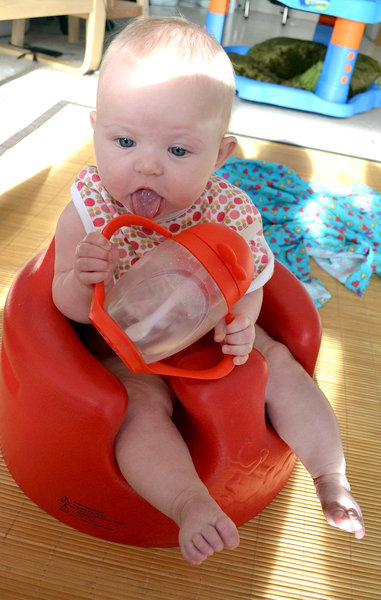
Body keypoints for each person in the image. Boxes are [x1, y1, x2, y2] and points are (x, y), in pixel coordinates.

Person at [52, 16, 365, 565]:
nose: (145, 165)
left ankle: (330, 473)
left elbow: (252, 282)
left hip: (212, 334)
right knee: (136, 410)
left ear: (220, 156)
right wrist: (83, 279)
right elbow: (65, 309)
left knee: (281, 363)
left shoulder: (228, 209)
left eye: (178, 152)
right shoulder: (91, 206)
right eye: (124, 141)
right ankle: (189, 501)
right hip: (128, 348)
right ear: (97, 129)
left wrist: (243, 320)